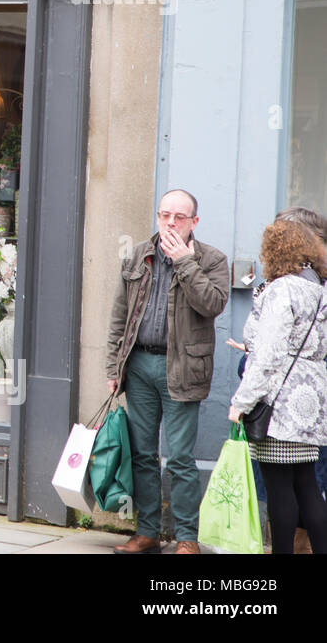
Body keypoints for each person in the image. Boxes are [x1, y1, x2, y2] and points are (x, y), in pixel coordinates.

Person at [105, 188, 230, 554]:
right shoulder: (137, 255)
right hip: (139, 366)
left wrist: (184, 263)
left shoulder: (211, 260)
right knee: (143, 453)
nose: (170, 223)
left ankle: (186, 537)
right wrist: (114, 367)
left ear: (194, 222)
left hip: (182, 368)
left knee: (178, 457)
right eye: (164, 215)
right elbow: (119, 316)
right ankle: (147, 532)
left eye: (179, 217)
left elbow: (212, 304)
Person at [228, 220, 327, 554]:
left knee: (279, 487)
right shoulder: (318, 289)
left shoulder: (281, 289)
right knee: (307, 485)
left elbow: (269, 354)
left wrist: (241, 402)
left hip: (279, 402)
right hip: (309, 400)